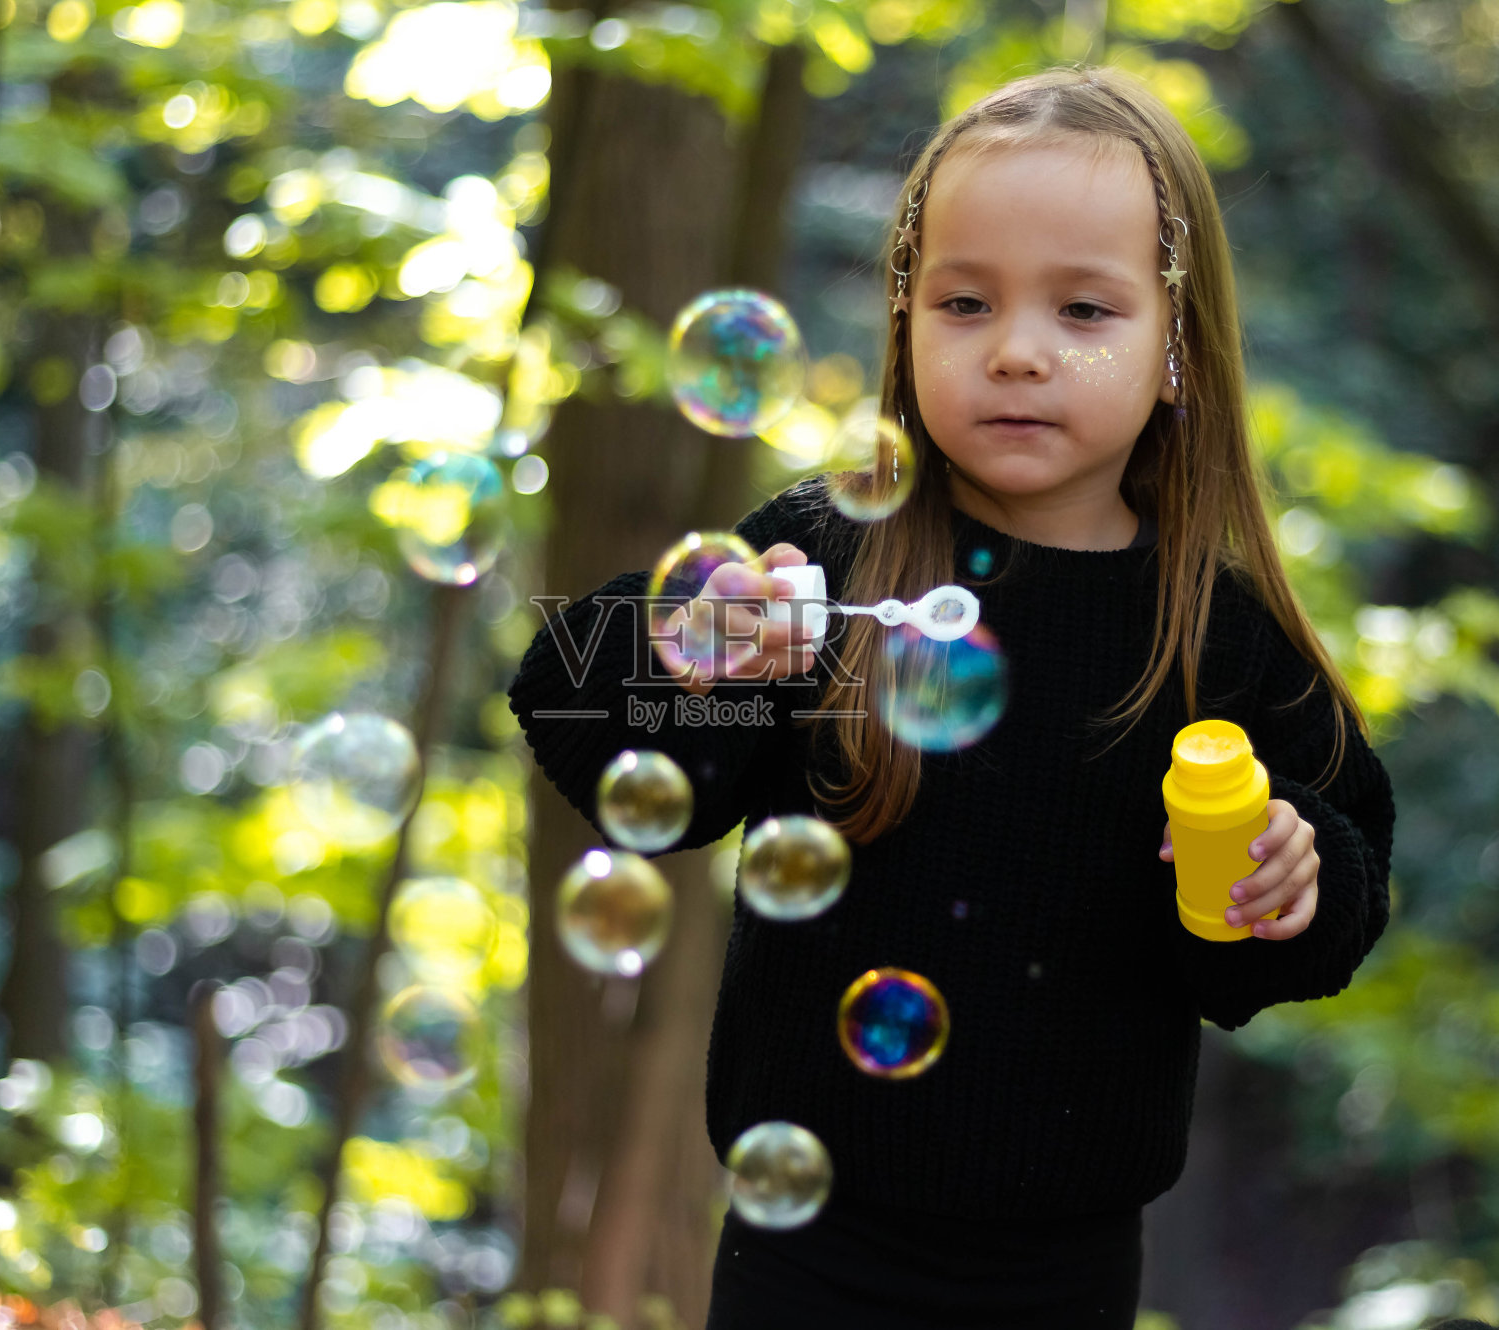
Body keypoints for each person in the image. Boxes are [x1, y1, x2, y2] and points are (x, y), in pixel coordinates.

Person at [506, 63, 1396, 1328]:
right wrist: (689, 651)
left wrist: (1289, 877)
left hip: (1069, 1268)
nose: (1019, 351)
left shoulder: (1214, 636)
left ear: (1175, 350)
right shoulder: (823, 562)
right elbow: (565, 705)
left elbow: (1330, 882)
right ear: (905, 321)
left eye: (1084, 311)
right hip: (799, 1249)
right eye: (965, 302)